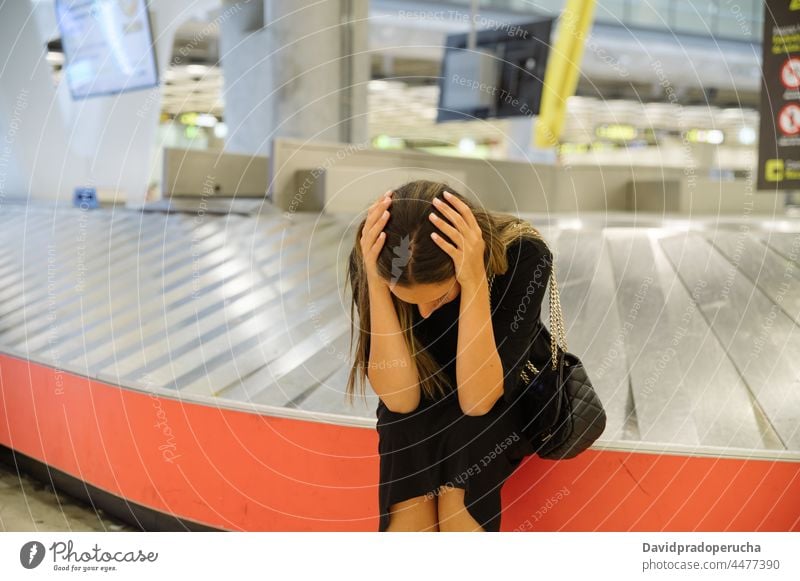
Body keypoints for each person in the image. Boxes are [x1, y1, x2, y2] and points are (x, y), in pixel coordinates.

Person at [345, 180, 554, 532]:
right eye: (410, 299)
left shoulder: (523, 254)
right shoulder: (377, 257)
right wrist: (376, 284)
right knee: (404, 429)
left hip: (500, 393)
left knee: (471, 433)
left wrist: (473, 281)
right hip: (422, 395)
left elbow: (479, 400)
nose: (425, 313)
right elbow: (400, 399)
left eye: (439, 297)